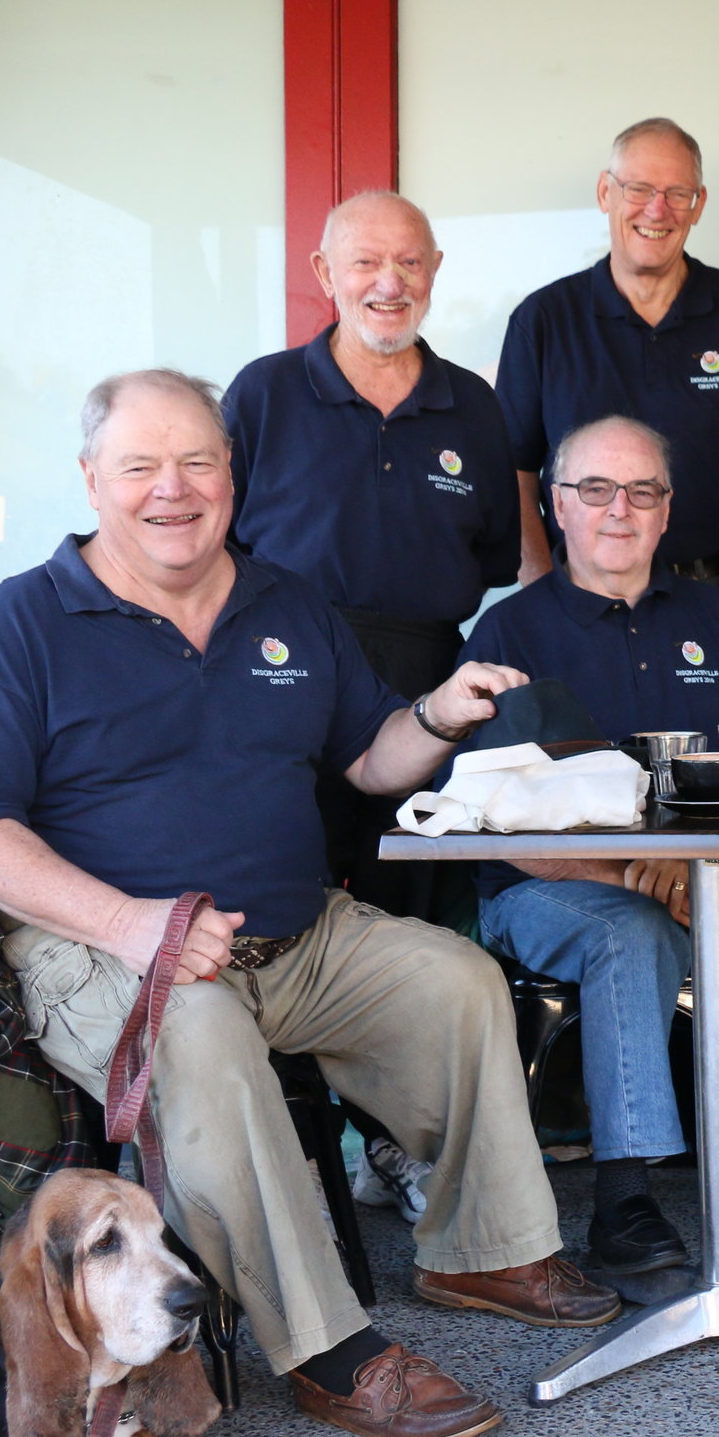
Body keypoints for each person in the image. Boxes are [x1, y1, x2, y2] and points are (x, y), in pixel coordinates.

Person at [0, 369, 618, 1437]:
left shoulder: (285, 600)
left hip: (293, 936)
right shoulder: (19, 625)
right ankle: (330, 1347)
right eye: (141, 465)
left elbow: (372, 761)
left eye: (198, 461)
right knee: (199, 1036)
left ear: (232, 474)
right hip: (105, 950)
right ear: (92, 479)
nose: (173, 489)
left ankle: (480, 1247)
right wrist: (131, 924)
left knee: (458, 980)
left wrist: (435, 710)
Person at [460, 415, 719, 1273]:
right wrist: (633, 876)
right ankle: (627, 1204)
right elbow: (494, 814)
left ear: (667, 508)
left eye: (642, 490)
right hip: (543, 890)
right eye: (597, 489)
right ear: (556, 505)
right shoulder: (509, 635)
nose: (620, 509)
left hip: (703, 880)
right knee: (629, 932)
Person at [223, 189, 521, 1223]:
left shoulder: (473, 405)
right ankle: (277, 1142)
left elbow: (492, 554)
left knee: (407, 922)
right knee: (280, 909)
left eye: (408, 262)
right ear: (324, 271)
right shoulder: (263, 395)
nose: (387, 283)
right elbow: (214, 546)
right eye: (364, 263)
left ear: (434, 270)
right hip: (278, 675)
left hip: (424, 681)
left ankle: (392, 1146)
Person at [497, 118, 719, 605]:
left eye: (676, 193)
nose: (656, 209)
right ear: (606, 192)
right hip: (579, 598)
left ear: (698, 204)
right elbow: (510, 482)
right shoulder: (544, 321)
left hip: (710, 593)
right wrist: (545, 609)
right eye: (638, 189)